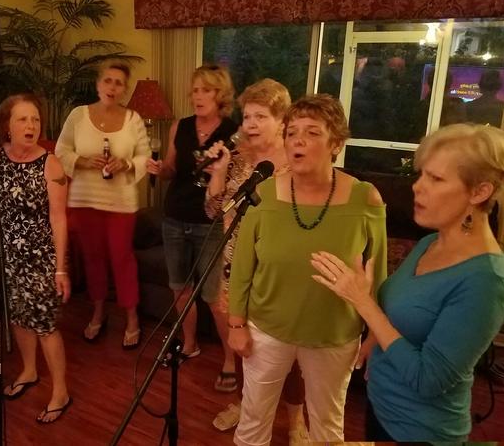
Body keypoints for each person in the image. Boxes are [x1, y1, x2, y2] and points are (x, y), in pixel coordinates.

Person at [311, 123, 504, 442]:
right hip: (381, 408)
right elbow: (405, 314)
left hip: (420, 432)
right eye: (421, 175)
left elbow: (428, 379)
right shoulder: (430, 243)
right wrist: (373, 342)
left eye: (436, 179)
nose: (417, 187)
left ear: (479, 192)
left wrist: (363, 302)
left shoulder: (486, 280)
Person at [228, 94, 388, 444]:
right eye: (291, 132)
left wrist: (375, 332)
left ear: (336, 144)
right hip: (267, 330)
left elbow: (377, 274)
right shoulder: (263, 194)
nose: (297, 140)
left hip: (334, 334)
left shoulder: (365, 198)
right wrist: (236, 323)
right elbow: (242, 266)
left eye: (312, 132)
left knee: (327, 428)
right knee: (253, 421)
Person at [204, 79, 308, 442]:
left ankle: (295, 421)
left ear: (281, 120)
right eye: (247, 116)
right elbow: (214, 211)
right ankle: (243, 404)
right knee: (240, 342)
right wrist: (218, 173)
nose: (250, 124)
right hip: (235, 267)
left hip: (277, 273)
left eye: (260, 116)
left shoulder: (296, 163)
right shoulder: (236, 159)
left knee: (288, 351)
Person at [146, 64, 238, 379]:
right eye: (195, 90)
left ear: (220, 95)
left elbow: (236, 181)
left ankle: (231, 360)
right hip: (175, 217)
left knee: (215, 297)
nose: (198, 96)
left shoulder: (233, 132)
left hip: (211, 223)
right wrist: (160, 169)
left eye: (206, 90)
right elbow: (172, 168)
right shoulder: (181, 126)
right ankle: (190, 344)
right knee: (180, 289)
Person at [55, 59, 149, 349]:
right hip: (85, 201)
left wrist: (127, 163)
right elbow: (61, 151)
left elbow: (145, 156)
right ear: (98, 85)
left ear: (124, 90)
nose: (112, 87)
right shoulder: (78, 115)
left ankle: (131, 317)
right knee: (93, 258)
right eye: (108, 80)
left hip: (121, 203)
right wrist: (83, 162)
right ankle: (98, 311)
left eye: (119, 83)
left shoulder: (133, 119)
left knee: (122, 259)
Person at [0, 94, 72, 423]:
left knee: (44, 325)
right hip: (9, 258)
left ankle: (61, 391)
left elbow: (59, 219)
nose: (31, 125)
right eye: (23, 119)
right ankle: (28, 370)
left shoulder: (50, 164)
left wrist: (60, 269)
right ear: (7, 126)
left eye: (35, 119)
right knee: (19, 318)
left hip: (41, 259)